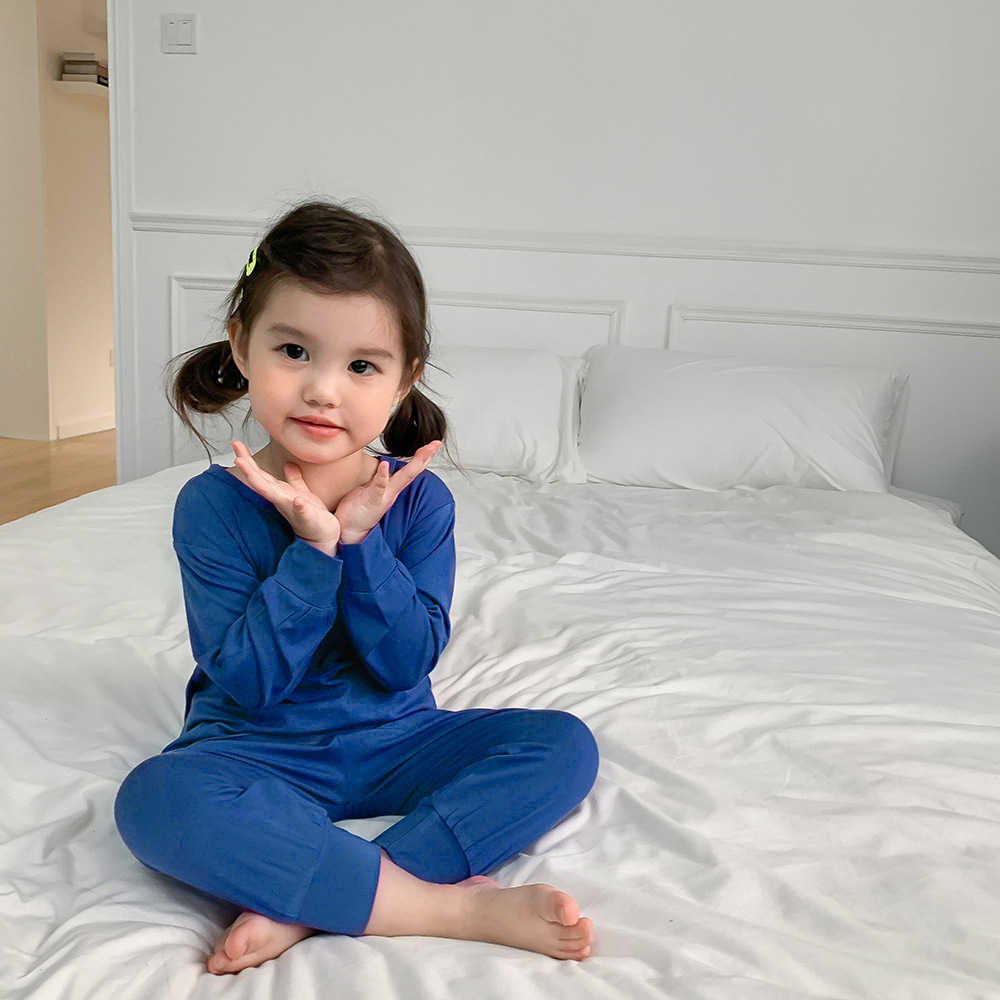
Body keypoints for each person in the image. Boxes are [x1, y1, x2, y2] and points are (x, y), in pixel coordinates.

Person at [114, 200, 599, 974]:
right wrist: (314, 550)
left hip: (397, 742)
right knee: (155, 799)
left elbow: (405, 664)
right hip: (257, 750)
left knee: (563, 746)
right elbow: (251, 683)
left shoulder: (420, 502)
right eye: (294, 351)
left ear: (405, 380)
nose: (323, 390)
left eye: (362, 366)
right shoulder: (210, 506)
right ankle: (444, 907)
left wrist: (363, 542)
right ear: (241, 344)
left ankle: (314, 899)